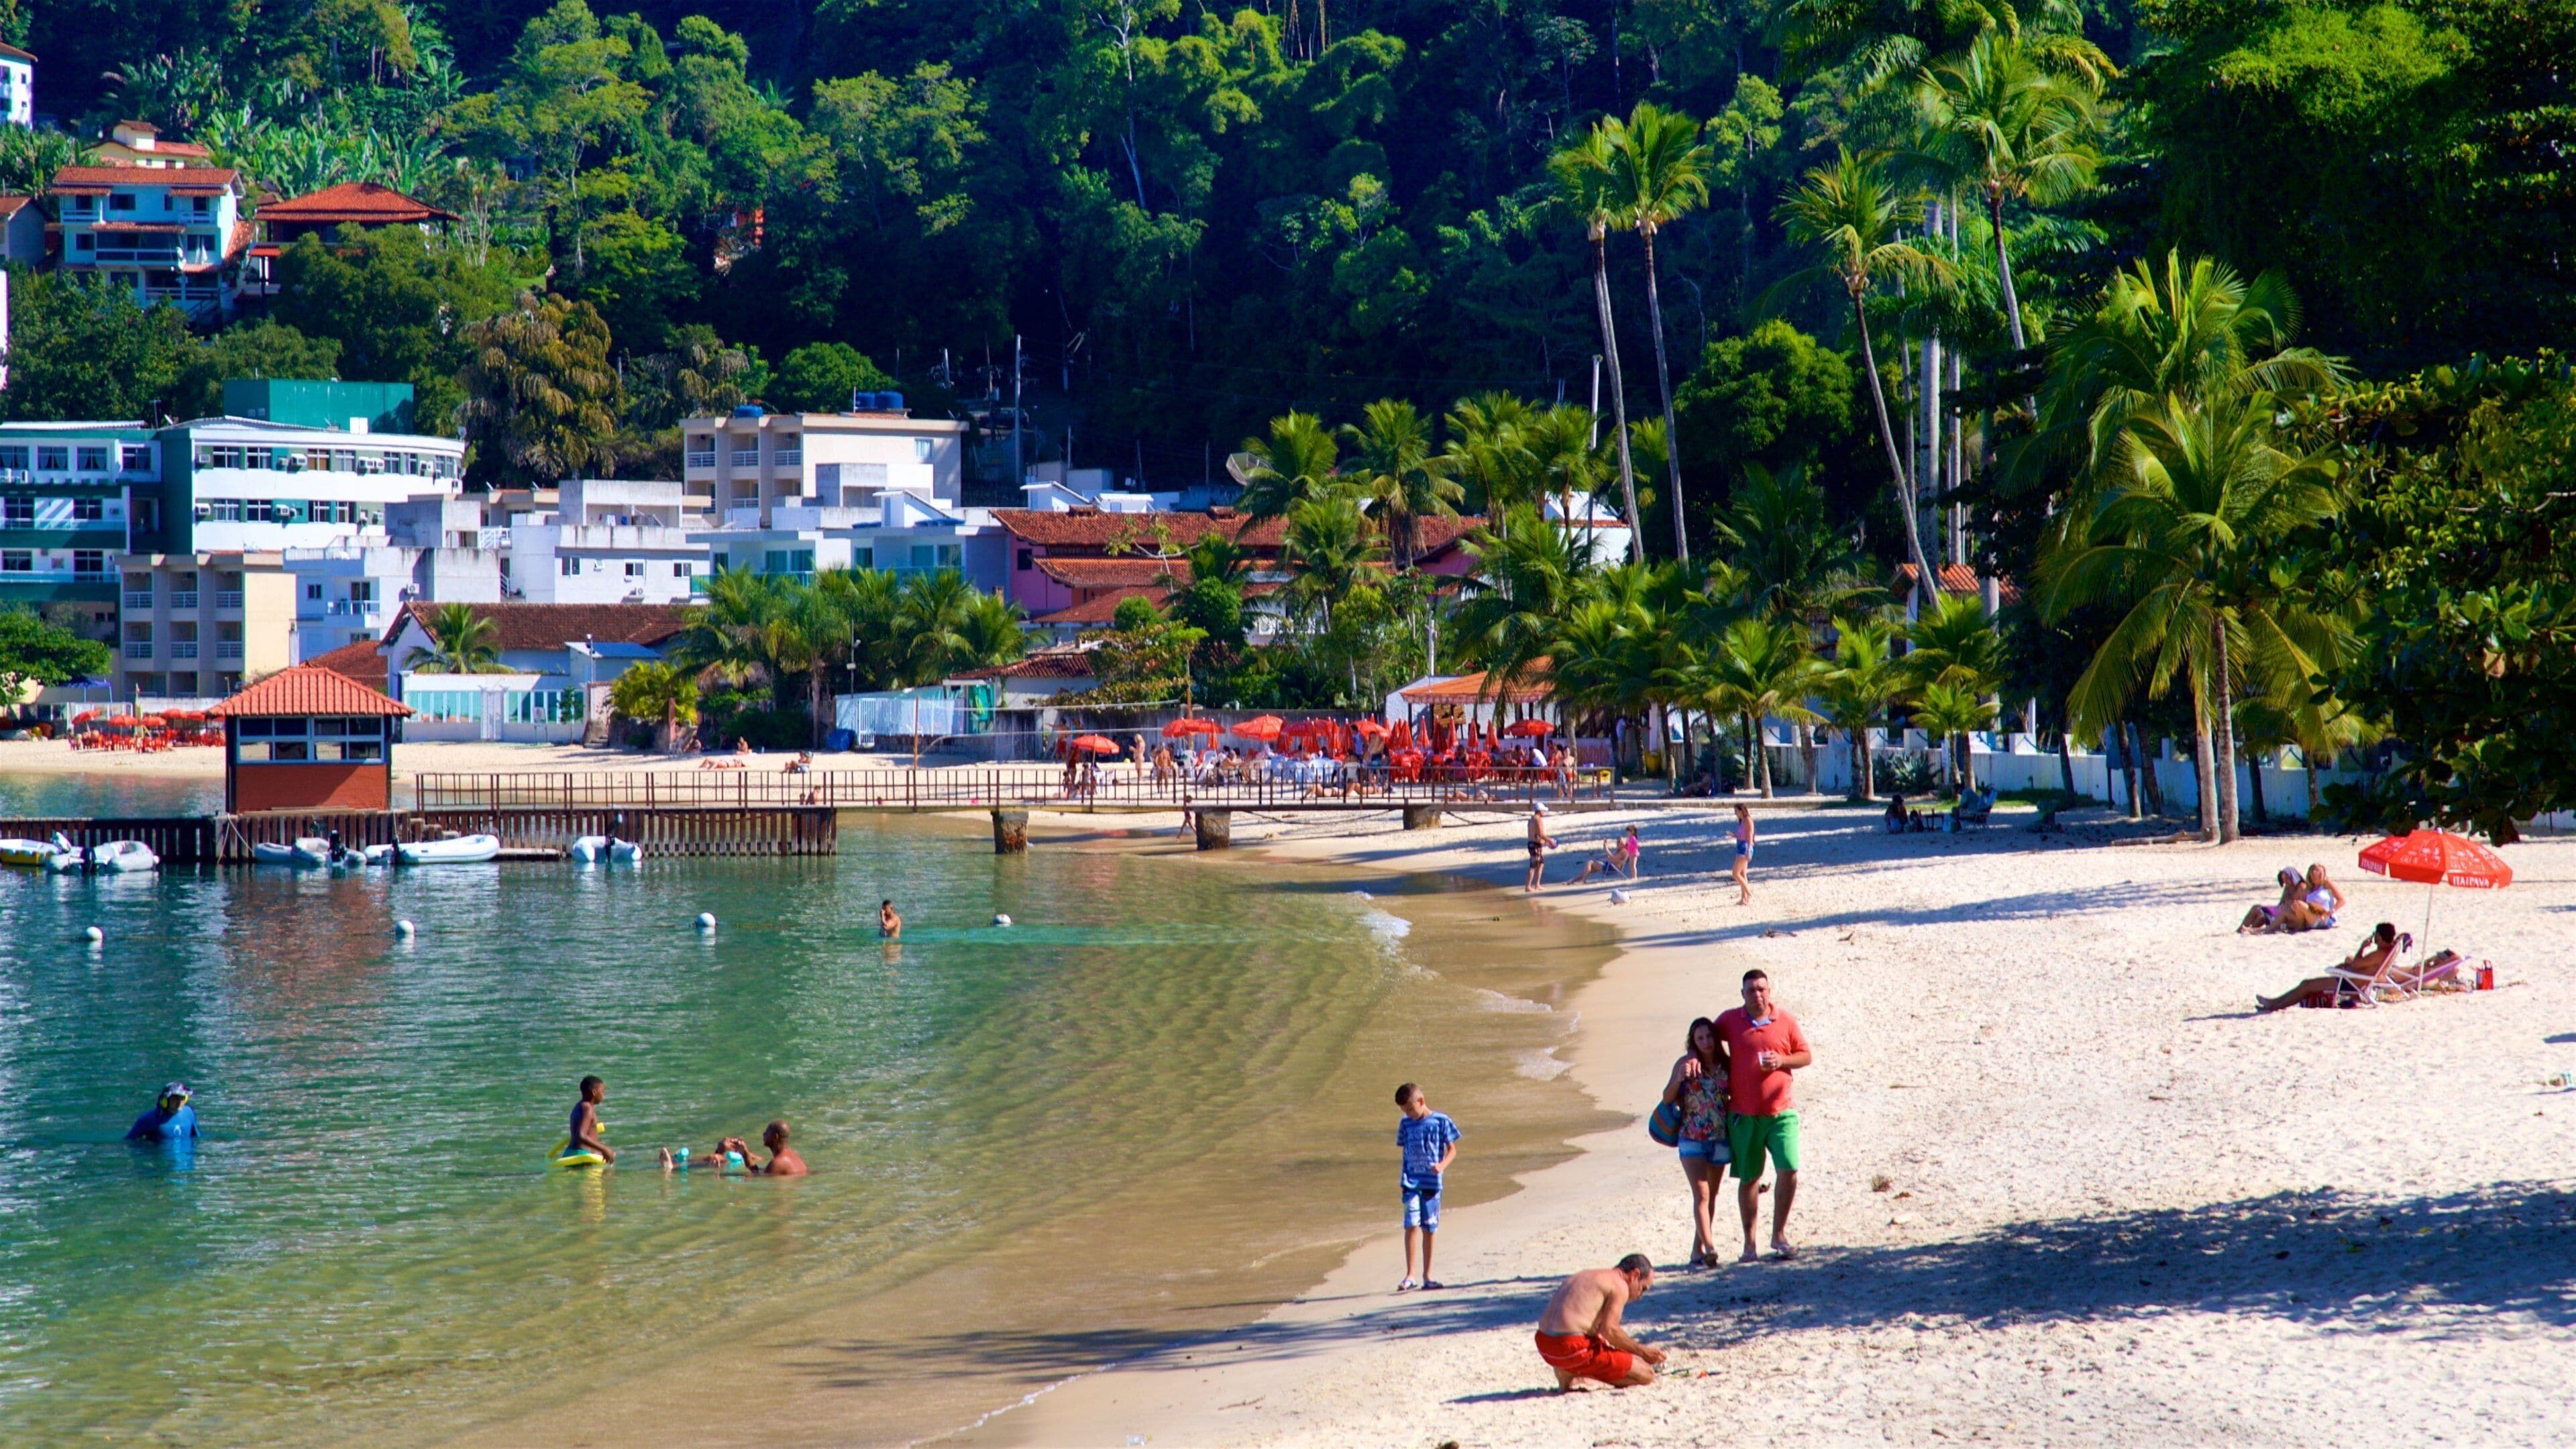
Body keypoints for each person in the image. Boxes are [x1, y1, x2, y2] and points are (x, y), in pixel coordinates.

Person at [1717, 969, 1811, 1261]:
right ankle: (1749, 1246)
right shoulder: (1730, 1020)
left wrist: (1782, 1060)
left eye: (1761, 989)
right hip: (1743, 1116)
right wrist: (1694, 1058)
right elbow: (1703, 1038)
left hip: (1782, 1112)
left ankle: (1779, 1235)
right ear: (1742, 994)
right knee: (1749, 1179)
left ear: (1769, 991)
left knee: (1789, 1169)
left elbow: (1806, 1055)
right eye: (1751, 990)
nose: (1757, 995)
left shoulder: (1786, 1021)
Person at [1534, 1255, 1664, 1389]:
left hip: (1544, 1345)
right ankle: (1575, 1373)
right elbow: (1610, 1331)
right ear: (1634, 1275)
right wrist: (1642, 1352)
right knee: (1646, 1374)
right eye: (1643, 1288)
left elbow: (1593, 1327)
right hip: (1572, 1348)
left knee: (1622, 1356)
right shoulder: (1620, 1285)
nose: (1640, 1296)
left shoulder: (1587, 1275)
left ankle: (1570, 1370)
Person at [1661, 1019, 1731, 1267]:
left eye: (1709, 1037)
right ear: (1693, 1042)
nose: (1706, 1042)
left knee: (1711, 1196)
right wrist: (1679, 1078)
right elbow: (1667, 1097)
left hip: (1720, 1138)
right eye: (1700, 1038)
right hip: (1691, 1138)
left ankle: (1697, 1250)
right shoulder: (1686, 1064)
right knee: (1701, 1193)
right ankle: (1710, 1246)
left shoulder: (1726, 1065)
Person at [1393, 1082, 1461, 1291]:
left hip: (1432, 1184)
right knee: (1411, 1224)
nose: (1408, 1114)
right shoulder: (1405, 1124)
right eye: (1404, 1111)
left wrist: (1442, 1165)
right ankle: (1410, 1275)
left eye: (1410, 1109)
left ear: (1421, 1101)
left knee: (1429, 1228)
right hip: (1410, 1183)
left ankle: (1428, 1276)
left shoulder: (1441, 1121)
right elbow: (1405, 1150)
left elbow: (1452, 1150)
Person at [2257, 922, 2402, 1012]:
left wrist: (2362, 947)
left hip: (2349, 983)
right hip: (2355, 980)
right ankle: (2274, 1003)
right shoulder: (2388, 951)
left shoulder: (2379, 954)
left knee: (2306, 985)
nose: (2374, 937)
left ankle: (2274, 1005)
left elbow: (2356, 964)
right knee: (2306, 985)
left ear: (2380, 937)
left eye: (2375, 934)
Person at [566, 1075, 616, 1165]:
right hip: (582, 1157)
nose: (603, 1095)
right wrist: (604, 1149)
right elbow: (581, 1136)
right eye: (602, 1092)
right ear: (594, 1092)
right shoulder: (588, 1108)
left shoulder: (579, 1106)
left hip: (571, 1153)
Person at [2239, 867, 2306, 934]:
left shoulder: (2302, 887)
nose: (2285, 882)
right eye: (2284, 879)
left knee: (2262, 915)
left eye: (2287, 879)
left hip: (2289, 916)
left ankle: (2249, 930)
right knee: (2256, 908)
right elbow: (2281, 903)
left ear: (2293, 877)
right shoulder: (2288, 887)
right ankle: (2241, 929)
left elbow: (2304, 907)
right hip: (2280, 911)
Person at [126, 1082, 199, 1142]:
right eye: (175, 1098)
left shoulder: (189, 1113)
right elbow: (130, 1141)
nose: (179, 1102)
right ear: (165, 1101)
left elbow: (197, 1137)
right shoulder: (149, 1119)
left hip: (186, 1155)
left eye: (182, 1098)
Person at [1525, 802, 1556, 892]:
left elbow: (1535, 835)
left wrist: (1543, 842)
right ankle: (1528, 886)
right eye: (1543, 811)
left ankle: (1537, 885)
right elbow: (1541, 834)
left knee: (1541, 864)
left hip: (1532, 844)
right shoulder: (1538, 819)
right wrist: (1550, 840)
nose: (1544, 812)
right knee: (1534, 865)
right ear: (1540, 811)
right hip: (1535, 845)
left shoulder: (1531, 819)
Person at [1730, 804, 1756, 906]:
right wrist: (1734, 835)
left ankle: (1749, 894)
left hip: (1745, 847)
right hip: (1741, 845)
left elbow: (1750, 836)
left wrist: (1749, 850)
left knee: (1735, 874)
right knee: (1742, 874)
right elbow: (1742, 835)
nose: (1735, 814)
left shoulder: (1748, 819)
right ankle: (1744, 899)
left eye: (1736, 811)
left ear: (1741, 811)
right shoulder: (1742, 821)